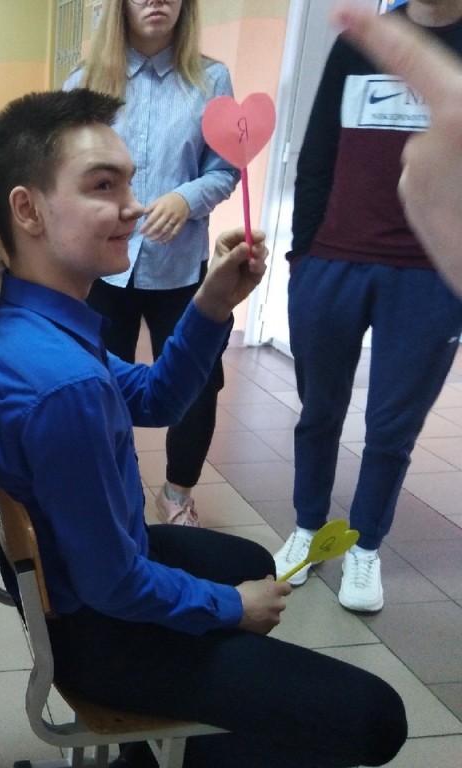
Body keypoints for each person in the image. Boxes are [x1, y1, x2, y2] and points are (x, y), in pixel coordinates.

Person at [0, 88, 406, 768]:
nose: (134, 205)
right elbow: (113, 584)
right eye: (102, 186)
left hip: (94, 578)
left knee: (253, 563)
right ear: (27, 209)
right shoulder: (63, 384)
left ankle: (181, 737)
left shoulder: (31, 320)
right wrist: (228, 608)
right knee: (378, 719)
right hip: (103, 634)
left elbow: (156, 398)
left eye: (130, 182)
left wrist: (209, 303)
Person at [273, 0, 462, 614]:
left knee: (391, 429)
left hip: (430, 273)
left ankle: (365, 547)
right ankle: (308, 528)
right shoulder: (367, 40)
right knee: (318, 411)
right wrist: (304, 255)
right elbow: (318, 149)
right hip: (333, 261)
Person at [63, 0, 239, 526]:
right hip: (102, 266)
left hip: (179, 266)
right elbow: (64, 173)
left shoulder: (211, 80)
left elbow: (224, 169)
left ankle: (177, 494)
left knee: (198, 384)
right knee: (97, 381)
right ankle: (113, 486)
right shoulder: (84, 84)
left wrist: (186, 198)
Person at [334, 3, 462, 295]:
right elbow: (319, 154)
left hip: (439, 271)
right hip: (339, 260)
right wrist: (304, 258)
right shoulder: (359, 39)